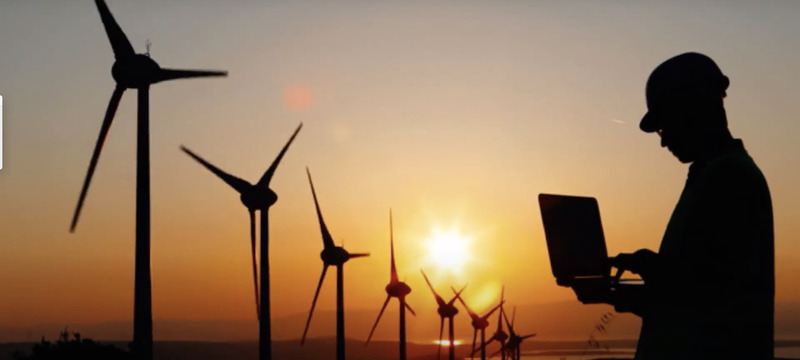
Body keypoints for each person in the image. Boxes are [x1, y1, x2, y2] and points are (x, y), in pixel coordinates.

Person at [577, 52, 774, 359]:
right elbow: (696, 284)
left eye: (663, 125)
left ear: (693, 109)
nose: (663, 141)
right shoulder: (713, 175)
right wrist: (647, 271)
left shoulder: (728, 178)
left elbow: (714, 301)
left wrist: (626, 291)